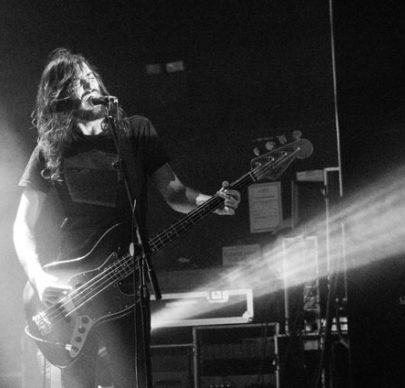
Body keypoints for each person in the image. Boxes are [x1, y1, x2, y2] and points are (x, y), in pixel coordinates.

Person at [13, 48, 241, 388]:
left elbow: (175, 194)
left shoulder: (134, 133)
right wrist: (39, 278)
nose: (89, 83)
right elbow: (22, 225)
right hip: (72, 292)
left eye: (90, 76)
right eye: (77, 81)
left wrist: (212, 202)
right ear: (60, 95)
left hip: (126, 285)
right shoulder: (51, 148)